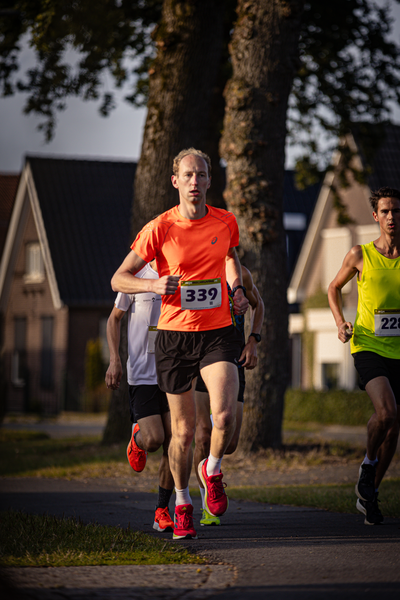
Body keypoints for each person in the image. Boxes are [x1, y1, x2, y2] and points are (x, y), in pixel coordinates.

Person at [111, 148, 249, 539]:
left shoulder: (225, 221)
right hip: (174, 340)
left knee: (223, 418)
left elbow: (229, 257)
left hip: (218, 331)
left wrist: (236, 287)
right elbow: (118, 278)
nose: (194, 181)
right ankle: (183, 502)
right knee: (183, 433)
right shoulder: (159, 228)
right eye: (187, 175)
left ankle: (214, 469)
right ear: (176, 181)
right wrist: (152, 284)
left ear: (209, 181)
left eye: (201, 175)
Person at [328, 186, 400, 525]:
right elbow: (332, 288)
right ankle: (368, 465)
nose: (391, 217)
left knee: (394, 427)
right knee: (385, 412)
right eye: (385, 211)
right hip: (368, 344)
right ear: (375, 216)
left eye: (396, 211)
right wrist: (341, 322)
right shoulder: (361, 255)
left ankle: (369, 491)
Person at [105, 259, 175, 533]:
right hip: (142, 376)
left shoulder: (180, 273)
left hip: (172, 374)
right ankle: (137, 437)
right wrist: (115, 359)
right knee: (155, 440)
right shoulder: (135, 276)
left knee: (175, 441)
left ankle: (162, 510)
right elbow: (114, 319)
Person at [194, 264, 264, 526]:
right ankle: (206, 504)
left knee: (230, 442)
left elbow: (260, 305)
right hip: (199, 358)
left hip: (232, 358)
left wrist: (253, 340)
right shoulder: (194, 269)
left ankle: (210, 466)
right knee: (202, 434)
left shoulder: (241, 273)